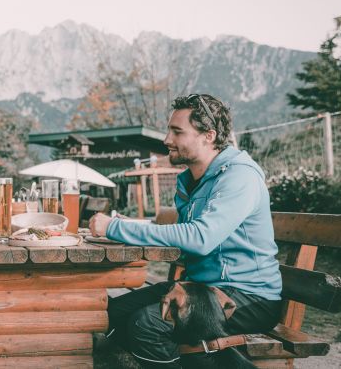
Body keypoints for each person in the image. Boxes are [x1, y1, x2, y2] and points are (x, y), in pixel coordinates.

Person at [89, 94, 282, 368]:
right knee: (112, 313)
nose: (167, 140)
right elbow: (183, 234)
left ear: (209, 136)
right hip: (201, 288)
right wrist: (126, 228)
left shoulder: (240, 177)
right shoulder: (191, 181)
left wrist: (116, 227)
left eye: (177, 131)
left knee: (147, 324)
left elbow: (200, 238)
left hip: (247, 297)